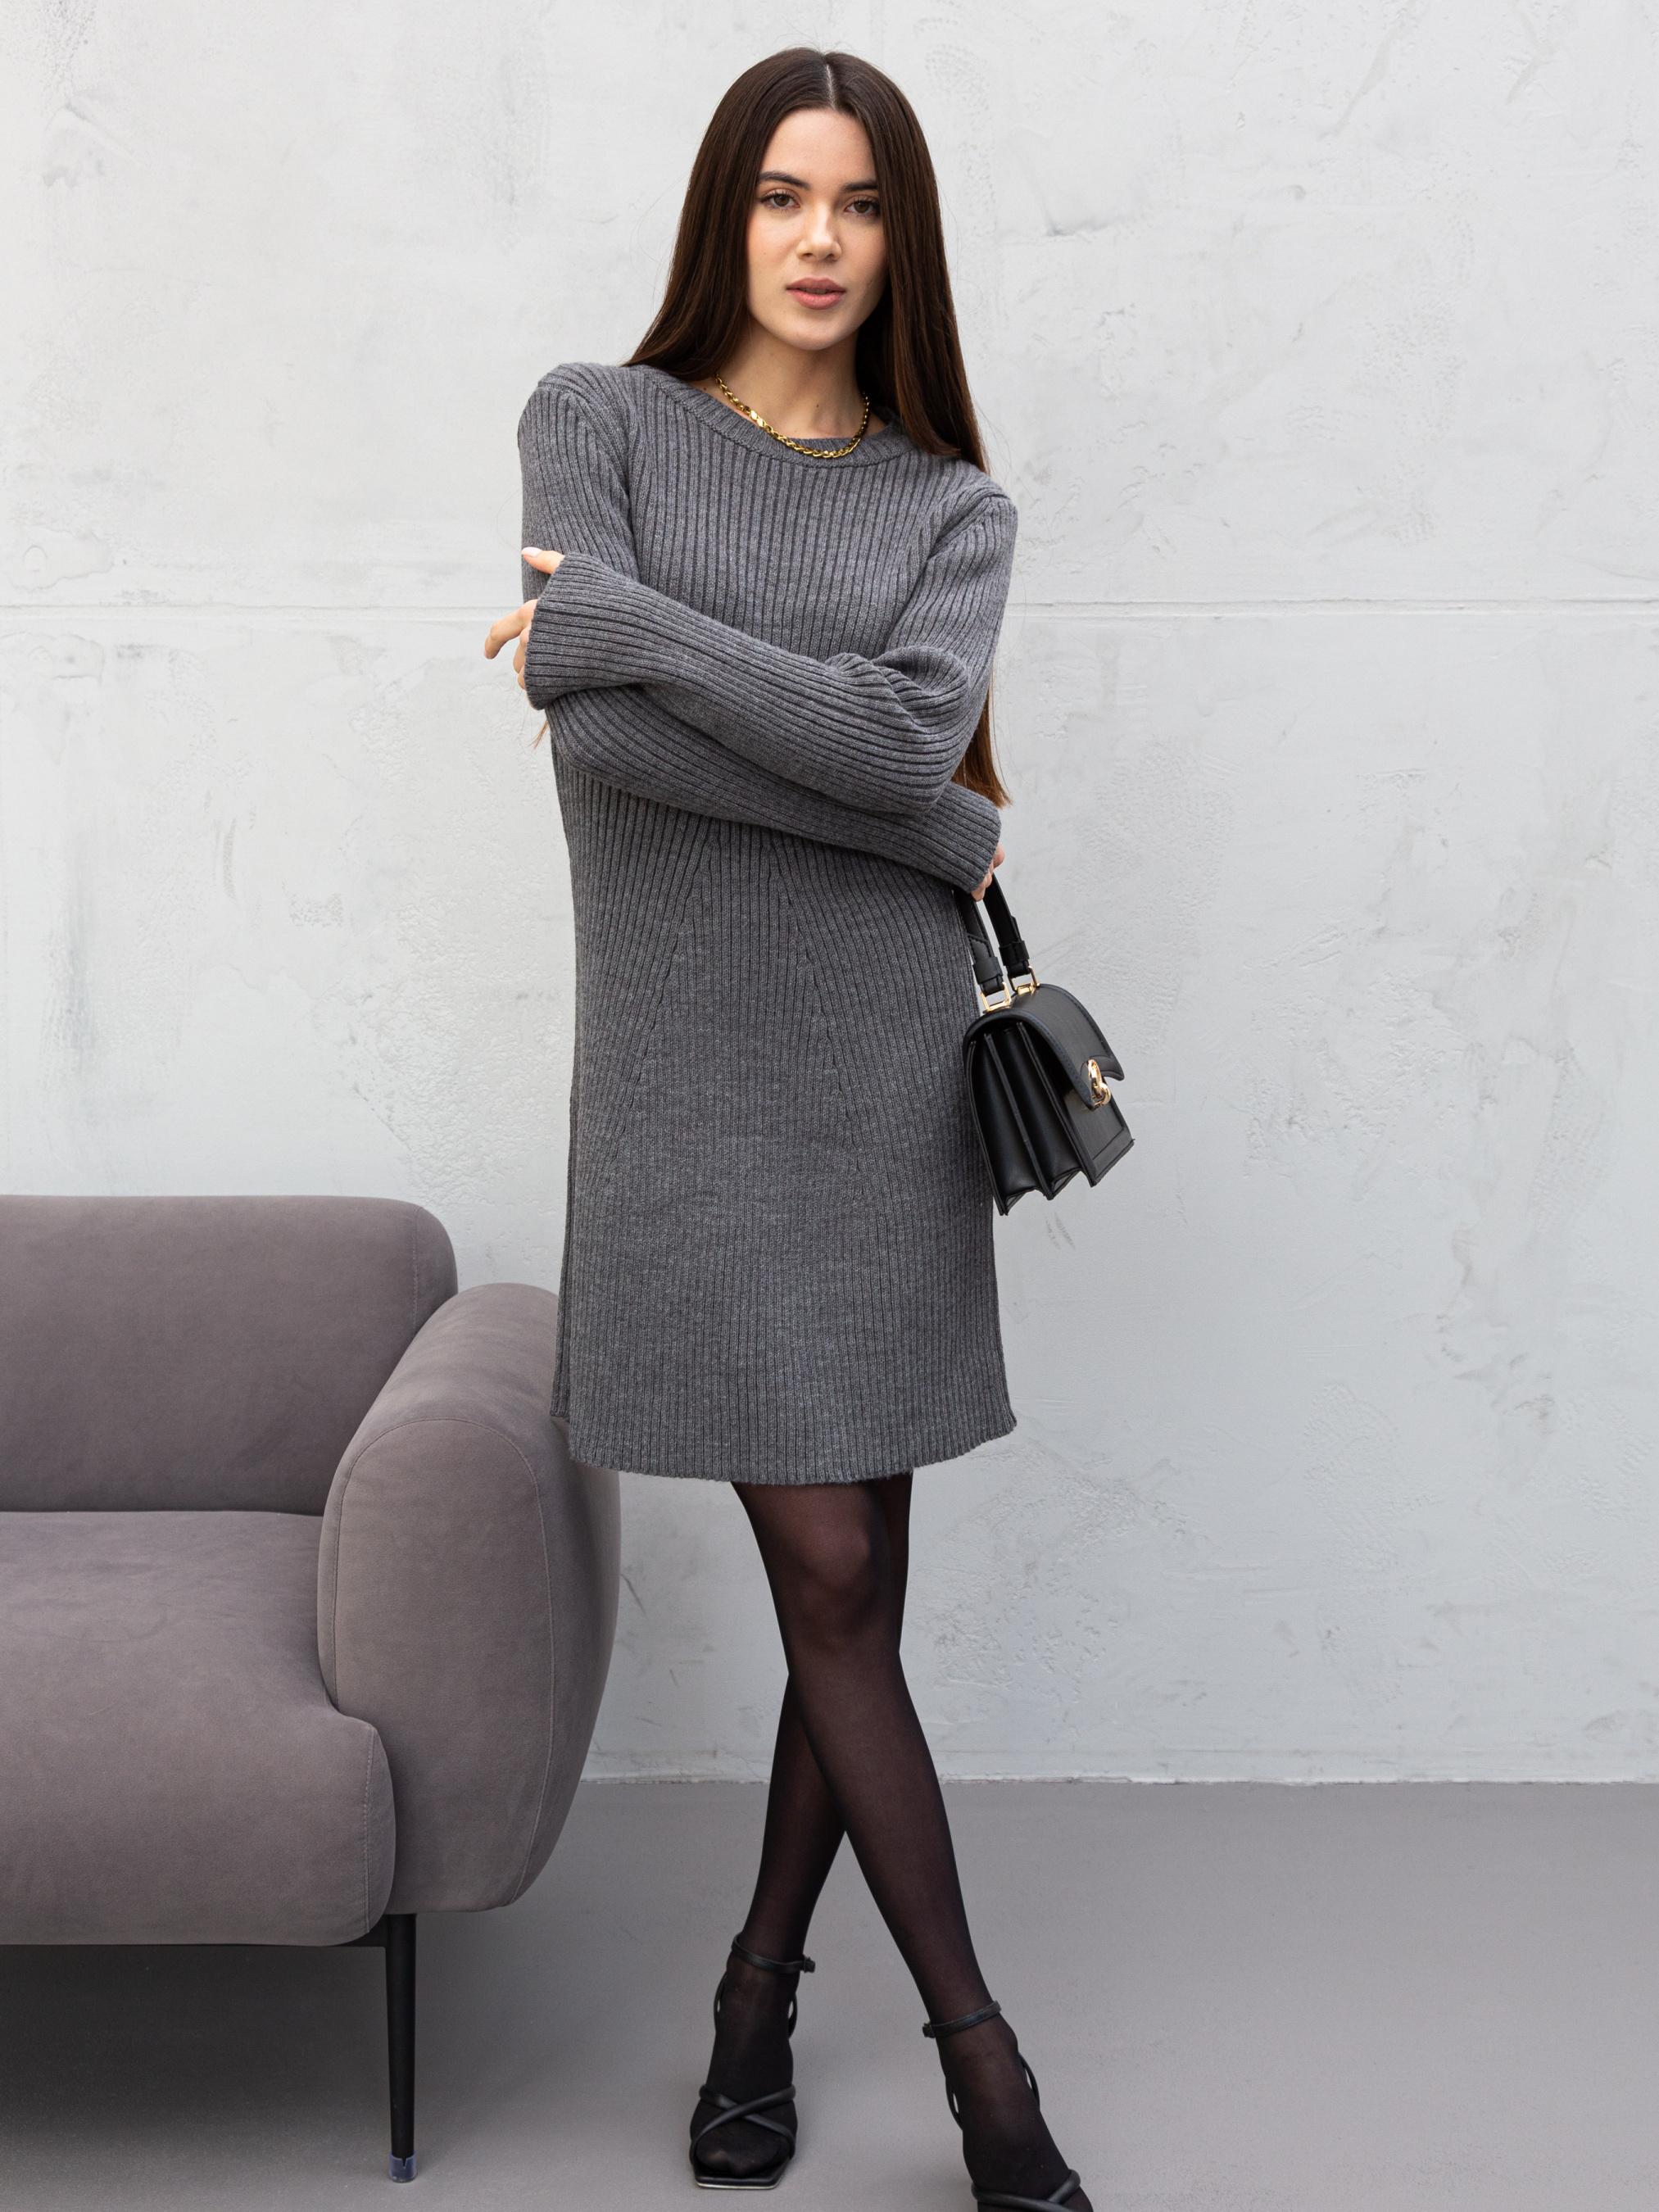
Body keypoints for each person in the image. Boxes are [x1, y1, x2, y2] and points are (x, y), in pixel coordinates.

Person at [485, 47, 1090, 2212]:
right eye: (778, 194)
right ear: (721, 215)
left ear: (900, 238)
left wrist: (623, 629)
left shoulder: (950, 505)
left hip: (879, 1086)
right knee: (833, 1568)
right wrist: (923, 822)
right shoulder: (599, 419)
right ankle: (985, 2071)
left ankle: (754, 1997)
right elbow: (605, 751)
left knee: (854, 1594)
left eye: (859, 203)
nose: (818, 239)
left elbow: (901, 732)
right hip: (686, 1086)